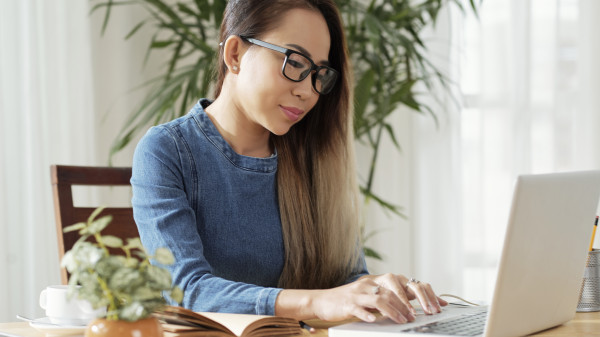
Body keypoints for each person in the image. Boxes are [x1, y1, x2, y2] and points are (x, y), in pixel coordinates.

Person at [131, 0, 447, 324]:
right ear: (235, 54)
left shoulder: (315, 158)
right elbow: (186, 290)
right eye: (295, 62)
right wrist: (317, 303)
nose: (308, 92)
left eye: (318, 75)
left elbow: (346, 280)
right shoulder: (167, 151)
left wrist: (376, 292)